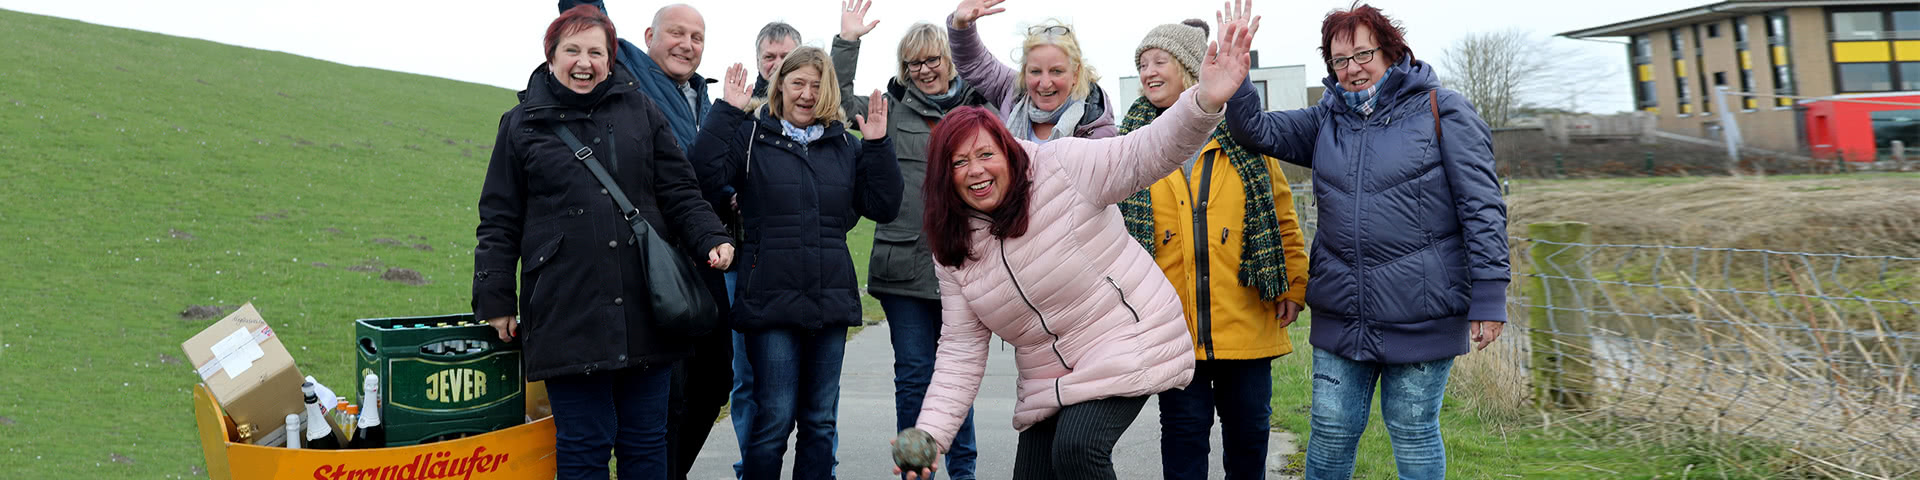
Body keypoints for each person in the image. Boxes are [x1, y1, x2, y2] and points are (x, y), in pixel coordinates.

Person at [899, 9, 1258, 480]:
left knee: (1078, 449)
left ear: (1007, 150)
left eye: (986, 154)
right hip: (1050, 376)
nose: (977, 170)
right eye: (960, 162)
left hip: (1126, 338)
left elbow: (1147, 150)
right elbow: (961, 351)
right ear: (945, 177)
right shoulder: (955, 248)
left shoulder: (1063, 166)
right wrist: (930, 436)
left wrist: (1204, 101)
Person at [1219, 4, 1510, 479]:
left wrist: (1490, 296)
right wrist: (1239, 78)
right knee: (1331, 430)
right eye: (1339, 60)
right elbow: (1254, 130)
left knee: (1413, 430)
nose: (1351, 68)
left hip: (1423, 311)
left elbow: (1482, 206)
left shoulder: (1444, 109)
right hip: (1343, 312)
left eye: (1363, 54)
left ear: (1391, 51)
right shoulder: (1326, 119)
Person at [474, 5, 734, 479]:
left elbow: (679, 191)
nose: (584, 62)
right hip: (565, 308)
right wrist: (495, 297)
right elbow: (498, 218)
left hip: (646, 307)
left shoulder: (640, 109)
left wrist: (710, 238)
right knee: (583, 446)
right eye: (572, 50)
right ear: (550, 55)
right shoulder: (520, 124)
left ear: (611, 59)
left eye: (596, 51)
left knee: (645, 443)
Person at [691, 47, 903, 480]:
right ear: (779, 87)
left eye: (815, 85)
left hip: (829, 300)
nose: (806, 95)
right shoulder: (751, 137)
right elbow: (701, 175)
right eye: (797, 83)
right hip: (770, 300)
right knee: (774, 420)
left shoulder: (844, 144)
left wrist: (878, 145)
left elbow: (883, 204)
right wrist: (727, 113)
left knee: (820, 421)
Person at [1117, 17, 1311, 480]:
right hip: (1173, 330)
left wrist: (1295, 283)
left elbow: (1283, 215)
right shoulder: (1133, 144)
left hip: (1244, 321)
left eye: (1158, 61)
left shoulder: (1246, 137)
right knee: (1183, 441)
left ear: (1188, 68)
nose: (1148, 72)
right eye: (1142, 64)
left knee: (1248, 440)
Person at [551, 3, 731, 477]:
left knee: (715, 380)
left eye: (696, 38)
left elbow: (704, 171)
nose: (686, 45)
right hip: (651, 261)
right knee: (663, 399)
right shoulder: (630, 75)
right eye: (676, 33)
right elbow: (587, 12)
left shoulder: (704, 100)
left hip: (700, 258)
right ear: (646, 36)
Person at [830, 1, 996, 478]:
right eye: (913, 63)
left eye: (932, 60)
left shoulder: (977, 109)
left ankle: (963, 470)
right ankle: (914, 470)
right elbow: (836, 101)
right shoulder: (887, 109)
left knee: (956, 381)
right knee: (915, 376)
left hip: (965, 266)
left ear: (948, 60)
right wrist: (848, 42)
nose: (923, 70)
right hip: (902, 270)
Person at [725, 18, 804, 480]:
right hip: (743, 262)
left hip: (802, 263)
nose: (776, 66)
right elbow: (709, 172)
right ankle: (750, 468)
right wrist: (727, 194)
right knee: (747, 378)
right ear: (758, 62)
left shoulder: (819, 109)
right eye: (768, 58)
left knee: (811, 387)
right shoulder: (741, 111)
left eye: (784, 57)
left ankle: (817, 468)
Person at [946, 0, 1116, 142]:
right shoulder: (1012, 92)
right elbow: (974, 64)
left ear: (1076, 74)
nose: (1045, 83)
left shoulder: (1098, 127)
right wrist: (961, 25)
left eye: (1056, 71)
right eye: (1035, 71)